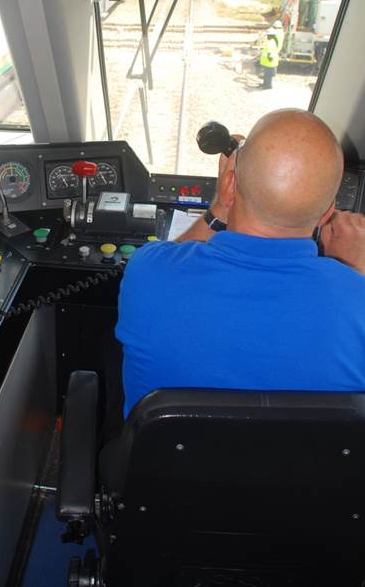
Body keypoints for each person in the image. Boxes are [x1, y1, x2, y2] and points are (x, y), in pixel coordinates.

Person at [116, 109, 365, 418]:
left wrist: (219, 207)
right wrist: (356, 272)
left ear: (231, 185)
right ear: (328, 212)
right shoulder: (358, 300)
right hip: (305, 467)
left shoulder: (147, 272)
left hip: (165, 466)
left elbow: (170, 259)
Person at [259, 20, 284, 89]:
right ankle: (266, 84)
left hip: (269, 61)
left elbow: (270, 50)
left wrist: (269, 56)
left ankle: (267, 86)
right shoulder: (280, 32)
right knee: (267, 74)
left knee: (268, 75)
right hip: (271, 59)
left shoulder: (272, 41)